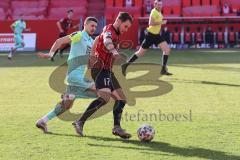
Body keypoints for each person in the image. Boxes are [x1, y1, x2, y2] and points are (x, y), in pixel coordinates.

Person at [72, 12, 133, 139]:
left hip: (108, 70)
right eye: (125, 26)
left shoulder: (116, 33)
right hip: (100, 69)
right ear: (119, 21)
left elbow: (97, 40)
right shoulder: (109, 30)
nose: (126, 30)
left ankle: (117, 128)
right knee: (105, 98)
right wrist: (114, 51)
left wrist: (92, 55)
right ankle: (80, 121)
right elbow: (106, 41)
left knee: (122, 99)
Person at [36, 17, 98, 133]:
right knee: (103, 92)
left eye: (95, 26)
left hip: (76, 77)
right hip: (75, 76)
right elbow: (60, 41)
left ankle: (42, 121)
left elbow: (89, 61)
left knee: (67, 106)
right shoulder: (79, 35)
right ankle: (79, 122)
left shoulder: (91, 41)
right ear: (85, 25)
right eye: (92, 25)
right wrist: (50, 54)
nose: (94, 28)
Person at [122, 0, 172, 76]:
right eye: (158, 5)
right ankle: (125, 65)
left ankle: (163, 70)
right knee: (140, 53)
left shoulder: (159, 12)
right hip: (150, 35)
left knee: (167, 50)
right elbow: (150, 23)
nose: (160, 6)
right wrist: (161, 22)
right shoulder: (154, 12)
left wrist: (160, 24)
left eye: (161, 5)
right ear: (155, 5)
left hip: (157, 35)